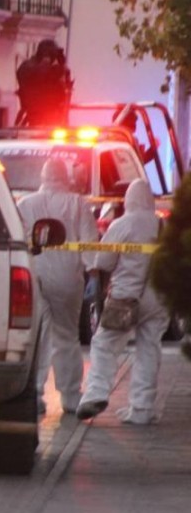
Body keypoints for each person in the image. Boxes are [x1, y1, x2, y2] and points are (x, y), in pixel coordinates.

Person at [76, 178, 170, 424]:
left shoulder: (122, 224)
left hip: (125, 297)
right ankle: (141, 409)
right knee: (149, 349)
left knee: (104, 344)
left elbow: (104, 261)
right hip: (158, 298)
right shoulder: (163, 225)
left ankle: (95, 394)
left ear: (128, 200)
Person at [17, 156, 99, 415]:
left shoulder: (25, 204)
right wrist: (93, 274)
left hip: (34, 277)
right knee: (66, 335)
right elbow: (89, 244)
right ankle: (70, 396)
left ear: (42, 177)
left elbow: (18, 241)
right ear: (66, 177)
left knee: (37, 336)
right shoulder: (77, 205)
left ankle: (34, 394)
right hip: (67, 280)